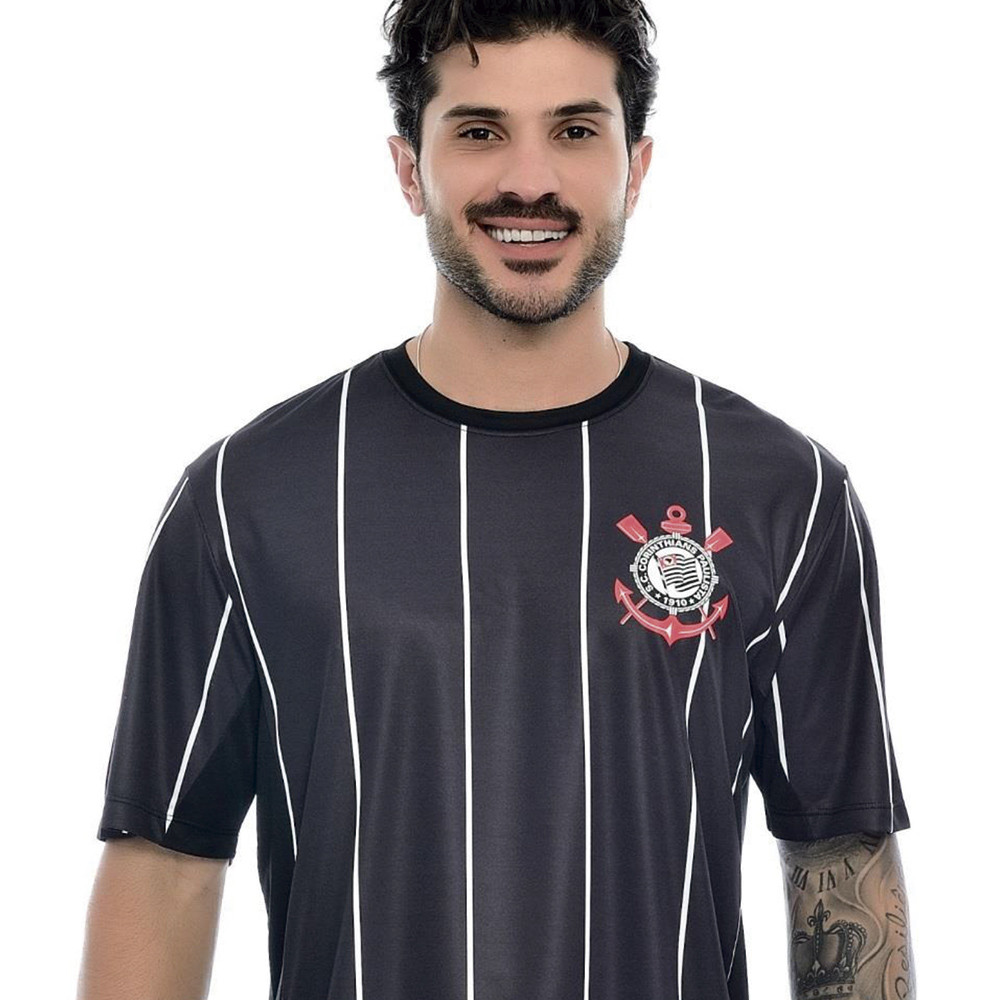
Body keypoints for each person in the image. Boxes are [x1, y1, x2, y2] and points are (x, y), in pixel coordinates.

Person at [77, 2, 916, 998]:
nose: (530, 179)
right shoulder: (245, 497)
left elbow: (838, 862)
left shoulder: (787, 493)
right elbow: (165, 866)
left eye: (575, 130)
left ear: (636, 168)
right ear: (408, 168)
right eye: (479, 131)